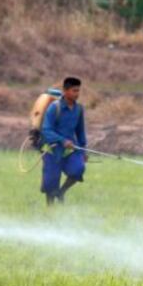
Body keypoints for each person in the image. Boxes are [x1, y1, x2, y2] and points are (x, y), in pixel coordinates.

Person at [40, 77, 87, 205]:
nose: (77, 94)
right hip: (52, 150)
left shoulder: (79, 110)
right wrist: (62, 140)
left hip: (69, 150)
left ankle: (62, 192)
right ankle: (50, 210)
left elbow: (80, 131)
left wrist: (83, 150)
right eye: (74, 91)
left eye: (78, 91)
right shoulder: (54, 108)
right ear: (65, 91)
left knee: (78, 169)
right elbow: (46, 129)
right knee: (50, 182)